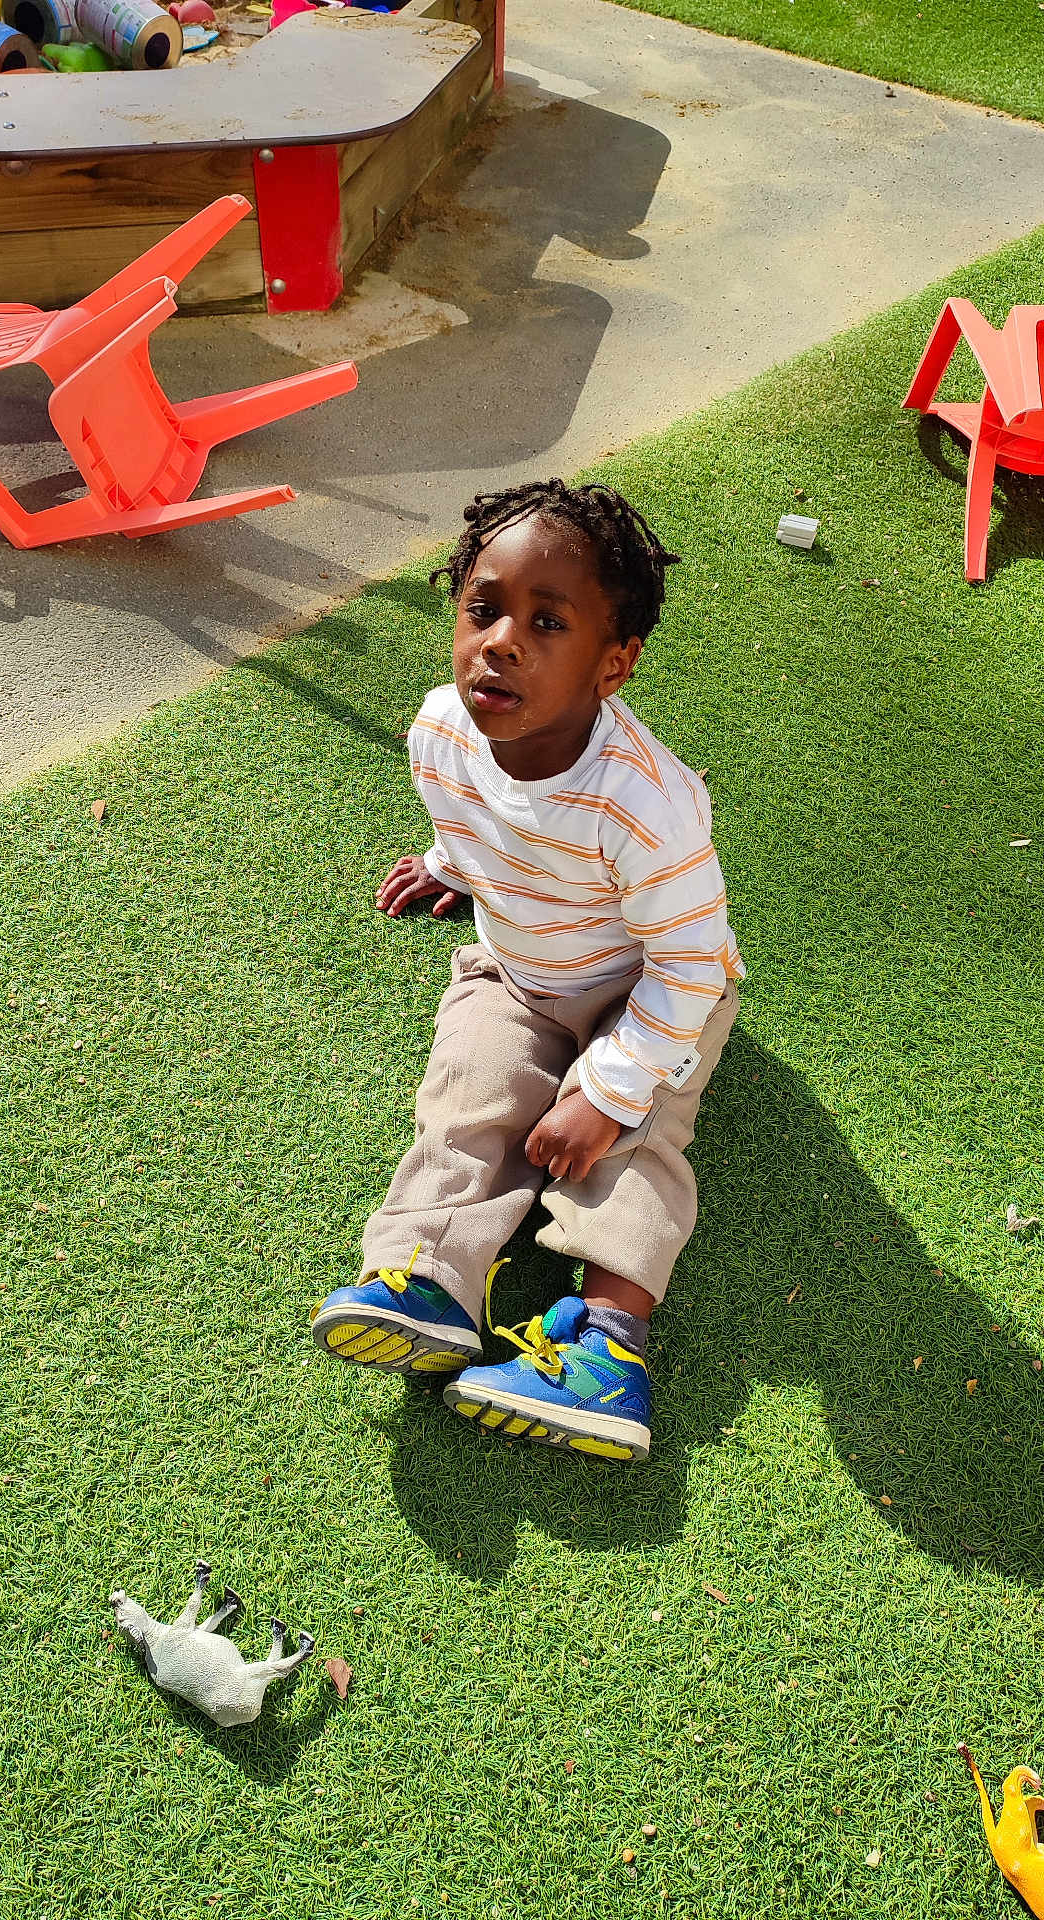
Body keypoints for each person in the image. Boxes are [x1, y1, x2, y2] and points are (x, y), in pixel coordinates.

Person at [310, 479, 744, 1462]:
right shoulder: (439, 729)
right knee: (468, 1094)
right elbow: (472, 817)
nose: (500, 642)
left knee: (633, 1143)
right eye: (483, 609)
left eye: (547, 623)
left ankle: (608, 1351)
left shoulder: (649, 804)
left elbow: (687, 967)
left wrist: (608, 1092)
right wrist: (450, 867)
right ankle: (427, 1279)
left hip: (650, 995)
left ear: (614, 663)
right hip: (517, 971)